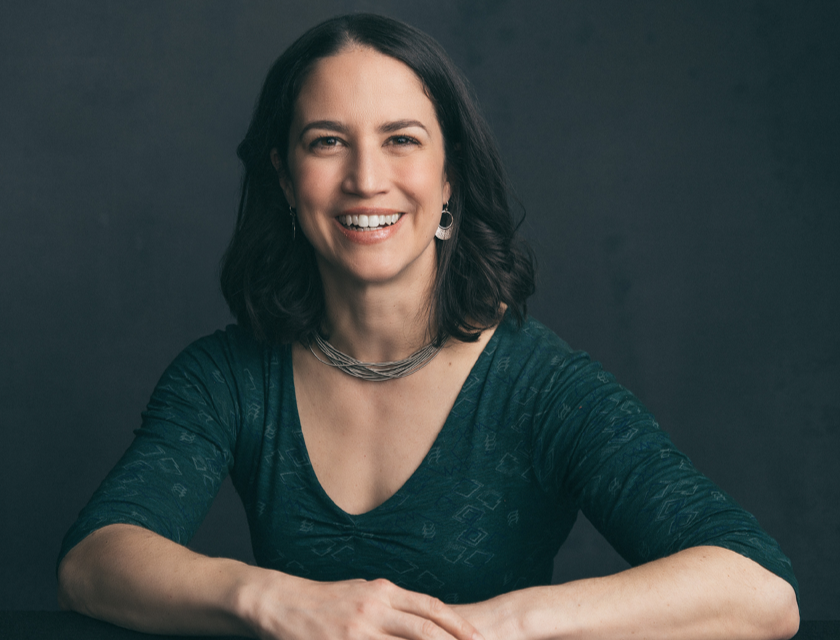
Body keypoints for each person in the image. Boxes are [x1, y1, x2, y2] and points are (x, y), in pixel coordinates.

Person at [57, 13, 800, 640]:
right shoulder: (225, 377)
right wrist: (275, 599)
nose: (366, 179)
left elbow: (761, 591)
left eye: (402, 139)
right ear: (285, 178)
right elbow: (94, 561)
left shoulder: (545, 390)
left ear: (450, 177)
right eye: (327, 141)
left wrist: (495, 627)